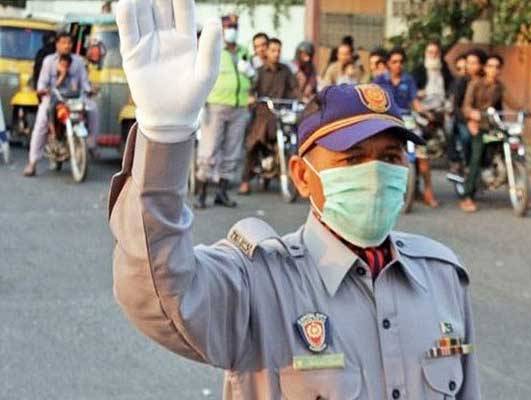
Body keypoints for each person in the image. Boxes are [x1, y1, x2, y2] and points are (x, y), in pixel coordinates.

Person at [111, 2, 481, 398]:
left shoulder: (442, 277)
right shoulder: (258, 283)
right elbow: (160, 295)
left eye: (390, 158)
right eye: (353, 158)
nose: (375, 174)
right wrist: (165, 137)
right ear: (303, 176)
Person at [195, 14, 253, 209]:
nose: (232, 29)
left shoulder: (244, 51)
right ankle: (201, 193)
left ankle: (222, 193)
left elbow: (254, 76)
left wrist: (251, 73)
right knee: (209, 150)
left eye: (235, 25)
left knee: (232, 152)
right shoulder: (213, 51)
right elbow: (201, 74)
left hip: (240, 106)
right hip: (216, 106)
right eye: (229, 26)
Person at [23, 31, 99, 177]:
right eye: (63, 43)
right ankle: (32, 163)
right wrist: (43, 91)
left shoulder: (78, 62)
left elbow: (84, 82)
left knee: (93, 108)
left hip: (75, 99)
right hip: (53, 98)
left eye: (69, 43)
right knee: (41, 123)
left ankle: (92, 144)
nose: (67, 46)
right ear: (57, 44)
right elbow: (41, 85)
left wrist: (90, 90)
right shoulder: (48, 61)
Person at [374, 47, 439, 207]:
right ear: (388, 63)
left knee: (422, 154)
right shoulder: (379, 81)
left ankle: (428, 191)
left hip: (407, 120)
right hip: (387, 121)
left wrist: (426, 113)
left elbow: (415, 102)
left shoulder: (408, 80)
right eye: (394, 62)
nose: (398, 65)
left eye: (401, 62)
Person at [460, 54, 521, 213]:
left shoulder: (500, 87)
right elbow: (466, 106)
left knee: (514, 145)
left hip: (494, 126)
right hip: (479, 126)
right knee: (477, 157)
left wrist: (527, 110)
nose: (493, 70)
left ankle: (522, 189)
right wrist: (472, 115)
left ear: (500, 70)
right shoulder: (475, 84)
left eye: (497, 67)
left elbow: (513, 102)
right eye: (490, 66)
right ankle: (467, 196)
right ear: (485, 68)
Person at [238, 37, 298, 195]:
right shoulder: (259, 72)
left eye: (279, 51)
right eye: (273, 50)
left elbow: (294, 89)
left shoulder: (286, 71)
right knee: (252, 142)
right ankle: (245, 181)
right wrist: (251, 97)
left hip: (282, 114)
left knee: (294, 139)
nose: (276, 54)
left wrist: (299, 98)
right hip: (263, 114)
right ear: (267, 52)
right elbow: (251, 90)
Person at [450, 49, 487, 170]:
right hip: (463, 120)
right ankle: (467, 165)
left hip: (484, 119)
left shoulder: (486, 81)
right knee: (466, 136)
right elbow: (456, 106)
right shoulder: (461, 81)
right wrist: (468, 120)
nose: (470, 66)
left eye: (474, 63)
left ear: (482, 65)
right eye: (468, 62)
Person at [413, 40, 454, 105]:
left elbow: (452, 85)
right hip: (424, 104)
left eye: (436, 52)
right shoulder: (419, 71)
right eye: (430, 52)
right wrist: (417, 93)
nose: (433, 55)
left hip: (443, 103)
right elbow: (410, 90)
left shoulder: (445, 69)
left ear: (440, 54)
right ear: (425, 53)